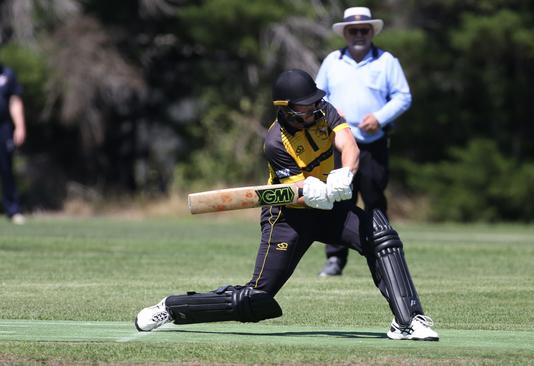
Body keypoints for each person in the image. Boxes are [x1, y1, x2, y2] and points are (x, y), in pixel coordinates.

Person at [134, 69, 438, 341]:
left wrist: (345, 173)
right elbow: (297, 192)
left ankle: (409, 321)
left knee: (380, 233)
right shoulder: (275, 142)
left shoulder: (325, 112)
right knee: (255, 299)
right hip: (288, 217)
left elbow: (349, 145)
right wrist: (320, 191)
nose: (315, 107)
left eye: (315, 101)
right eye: (306, 105)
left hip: (330, 211)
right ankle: (172, 308)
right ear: (287, 109)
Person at [315, 7, 411, 276]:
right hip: (340, 143)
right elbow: (317, 96)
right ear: (345, 33)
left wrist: (380, 117)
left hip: (373, 143)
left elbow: (403, 96)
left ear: (371, 32)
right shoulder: (332, 60)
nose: (359, 35)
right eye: (353, 30)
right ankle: (335, 259)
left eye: (364, 30)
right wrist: (333, 113)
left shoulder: (386, 61)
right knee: (337, 199)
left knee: (374, 199)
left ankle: (384, 254)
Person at [0, 63, 26, 224]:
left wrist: (20, 126)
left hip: (3, 128)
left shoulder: (8, 74)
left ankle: (13, 210)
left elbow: (14, 101)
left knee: (7, 169)